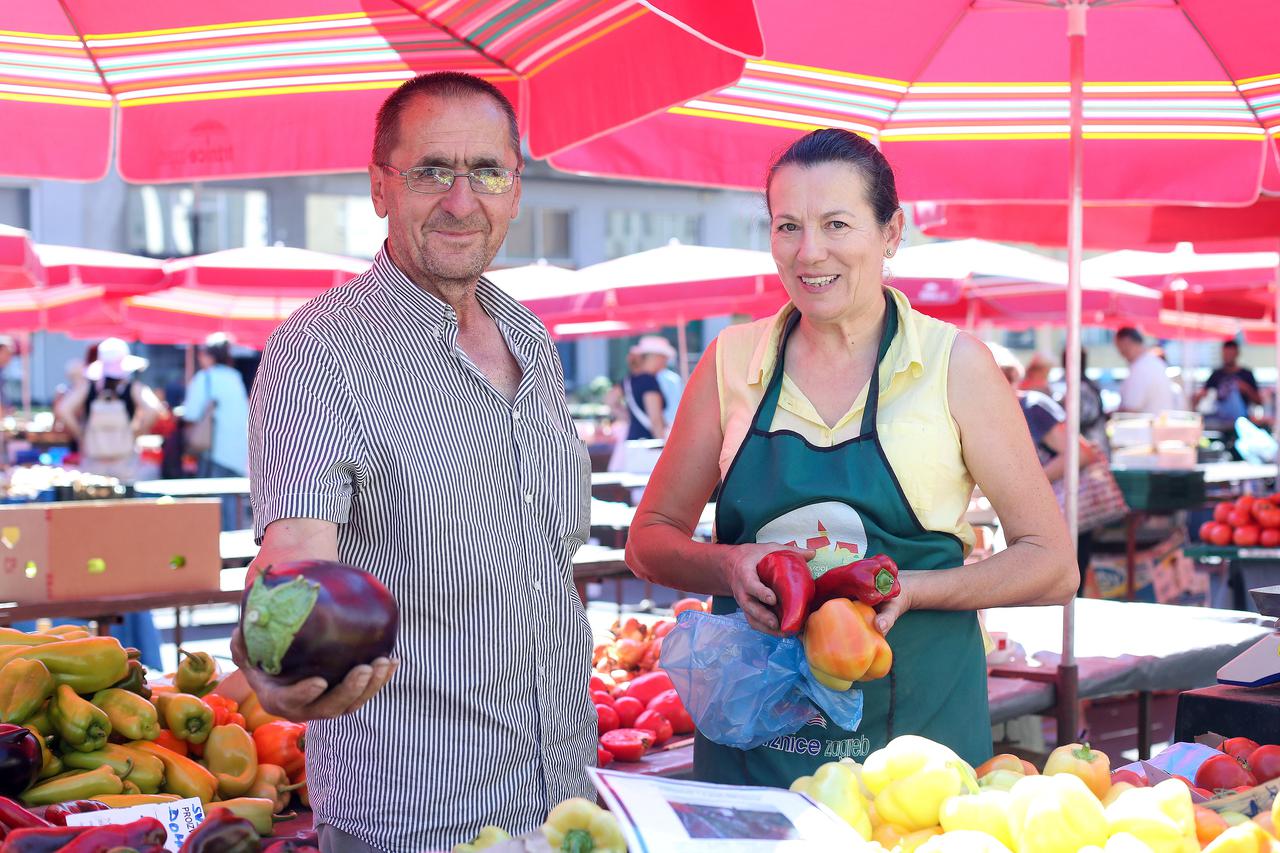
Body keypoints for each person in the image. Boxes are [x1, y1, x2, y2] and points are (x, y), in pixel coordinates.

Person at [625, 128, 1075, 781]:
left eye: (837, 224)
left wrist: (914, 590)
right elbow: (648, 540)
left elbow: (1053, 565)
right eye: (788, 227)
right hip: (755, 748)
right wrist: (728, 565)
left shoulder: (955, 366)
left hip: (918, 755)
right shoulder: (730, 363)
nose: (810, 252)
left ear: (892, 232)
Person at [231, 72, 593, 852]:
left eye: (487, 172)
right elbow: (295, 557)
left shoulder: (531, 340)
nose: (462, 201)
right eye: (431, 171)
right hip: (417, 819)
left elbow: (547, 564)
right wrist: (269, 658)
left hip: (569, 801)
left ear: (516, 190)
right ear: (379, 187)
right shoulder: (319, 350)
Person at [991, 344, 1103, 596]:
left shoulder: (1033, 406)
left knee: (1066, 585)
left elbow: (1079, 453)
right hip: (1041, 510)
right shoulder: (1001, 411)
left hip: (1064, 509)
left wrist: (1030, 482)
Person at [54, 338, 165, 482]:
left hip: (94, 460)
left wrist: (81, 434)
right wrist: (136, 433)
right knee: (126, 493)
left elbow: (63, 410)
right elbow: (154, 410)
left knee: (94, 493)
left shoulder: (87, 387)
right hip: (125, 461)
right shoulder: (133, 388)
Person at [183, 334, 251, 530]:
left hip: (213, 449)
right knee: (232, 503)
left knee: (212, 504)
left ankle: (216, 545)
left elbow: (191, 413)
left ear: (208, 355)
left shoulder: (205, 378)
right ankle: (233, 544)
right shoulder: (235, 376)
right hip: (237, 450)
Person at [1194, 340, 1260, 431]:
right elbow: (1203, 393)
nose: (1228, 356)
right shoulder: (1216, 374)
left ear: (1237, 354)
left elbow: (1259, 401)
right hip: (1220, 423)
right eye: (1226, 354)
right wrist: (1199, 396)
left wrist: (1246, 389)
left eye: (1230, 354)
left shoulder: (1246, 374)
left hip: (1241, 424)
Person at [1115, 327, 1177, 413]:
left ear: (1127, 342)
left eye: (1120, 348)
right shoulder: (1154, 363)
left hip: (1146, 420)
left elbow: (1131, 408)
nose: (1121, 354)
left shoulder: (1140, 369)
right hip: (1158, 419)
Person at [623, 336, 672, 441]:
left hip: (635, 439)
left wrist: (629, 418)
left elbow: (610, 398)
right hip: (648, 443)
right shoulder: (649, 381)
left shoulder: (631, 379)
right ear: (654, 357)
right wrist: (662, 442)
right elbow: (655, 419)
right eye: (664, 357)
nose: (666, 361)